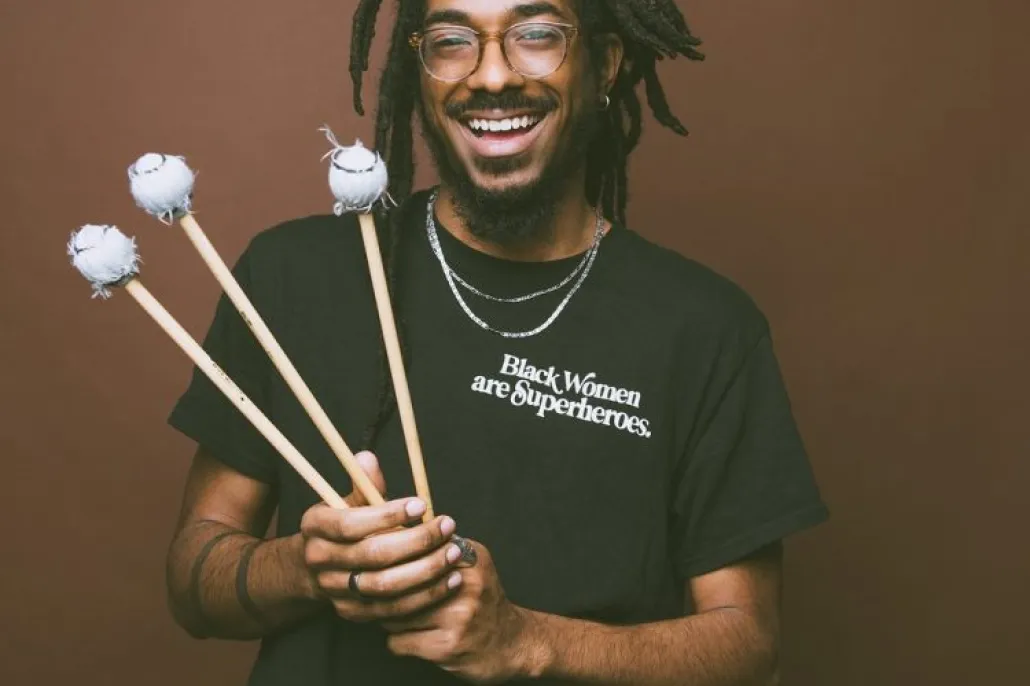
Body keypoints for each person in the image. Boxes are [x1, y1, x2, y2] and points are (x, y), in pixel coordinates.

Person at [164, 1, 830, 684]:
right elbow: (192, 580)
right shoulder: (292, 275)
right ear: (418, 69)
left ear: (604, 64)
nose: (490, 76)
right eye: (452, 39)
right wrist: (307, 568)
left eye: (536, 34)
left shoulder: (706, 327)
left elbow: (749, 644)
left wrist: (529, 643)